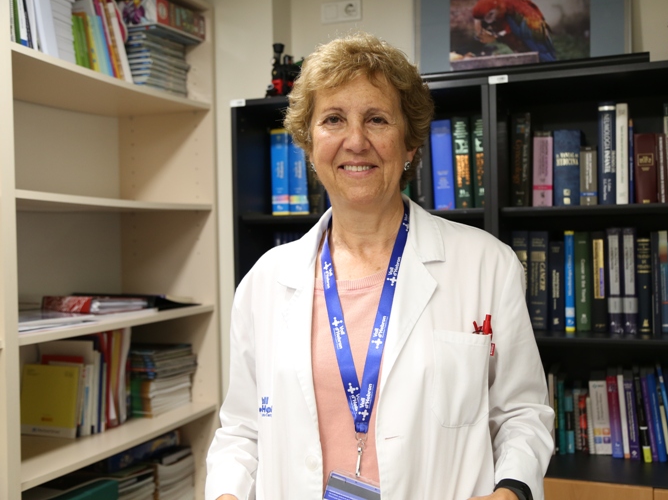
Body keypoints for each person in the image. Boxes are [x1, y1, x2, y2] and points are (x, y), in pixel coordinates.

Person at [206, 32, 554, 500]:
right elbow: (242, 429)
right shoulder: (265, 281)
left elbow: (522, 414)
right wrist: (227, 494)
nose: (355, 141)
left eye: (376, 119)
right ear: (309, 144)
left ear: (409, 144)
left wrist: (511, 492)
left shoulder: (487, 265)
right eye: (333, 119)